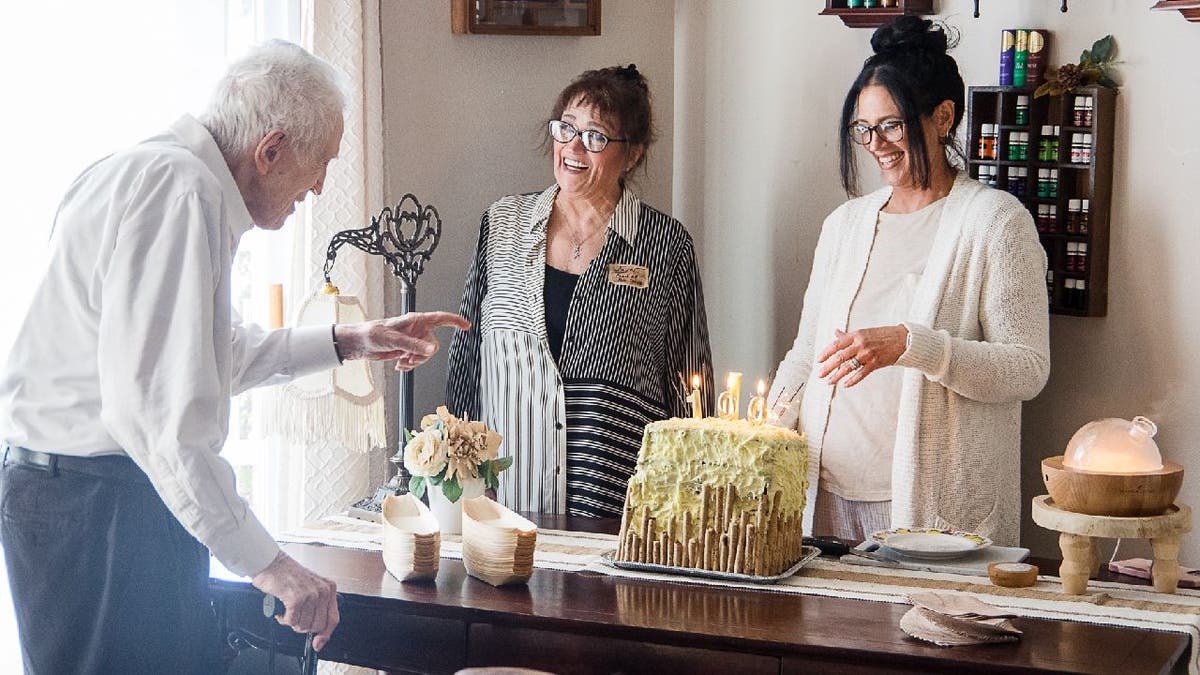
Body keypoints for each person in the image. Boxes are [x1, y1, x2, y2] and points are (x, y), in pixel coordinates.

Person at [0, 40, 469, 674]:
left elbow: (207, 356)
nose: (321, 184)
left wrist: (349, 339)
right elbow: (161, 417)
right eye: (320, 164)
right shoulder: (180, 190)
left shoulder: (148, 171)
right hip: (98, 509)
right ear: (270, 149)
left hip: (80, 499)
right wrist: (272, 567)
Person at [769, 17, 1049, 546]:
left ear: (943, 117)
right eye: (864, 129)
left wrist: (913, 346)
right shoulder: (845, 224)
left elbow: (1027, 368)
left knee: (921, 630)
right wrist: (763, 429)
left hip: (926, 505)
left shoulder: (994, 221)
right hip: (823, 496)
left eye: (892, 125)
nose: (876, 144)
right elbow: (810, 350)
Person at [446, 64, 714, 519]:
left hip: (617, 501)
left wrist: (689, 497)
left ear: (631, 155)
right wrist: (461, 476)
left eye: (596, 136)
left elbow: (690, 378)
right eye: (566, 127)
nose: (573, 146)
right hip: (507, 495)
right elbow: (468, 356)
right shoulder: (502, 225)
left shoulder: (665, 244)